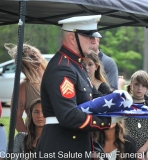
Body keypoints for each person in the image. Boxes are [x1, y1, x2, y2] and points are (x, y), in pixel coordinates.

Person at [34, 15, 124, 160]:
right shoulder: (62, 69)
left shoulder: (76, 66)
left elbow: (95, 98)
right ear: (72, 38)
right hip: (61, 148)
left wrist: (119, 103)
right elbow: (69, 116)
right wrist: (107, 121)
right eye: (89, 37)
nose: (94, 41)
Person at [4, 43, 48, 132]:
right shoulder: (24, 86)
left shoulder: (53, 78)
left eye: (34, 52)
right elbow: (16, 117)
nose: (35, 56)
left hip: (59, 135)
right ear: (24, 63)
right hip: (38, 137)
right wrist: (28, 139)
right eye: (30, 56)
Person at [125, 70, 148, 160]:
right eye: (137, 84)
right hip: (126, 148)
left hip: (146, 149)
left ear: (147, 88)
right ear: (131, 85)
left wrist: (142, 150)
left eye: (143, 85)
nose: (140, 88)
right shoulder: (125, 105)